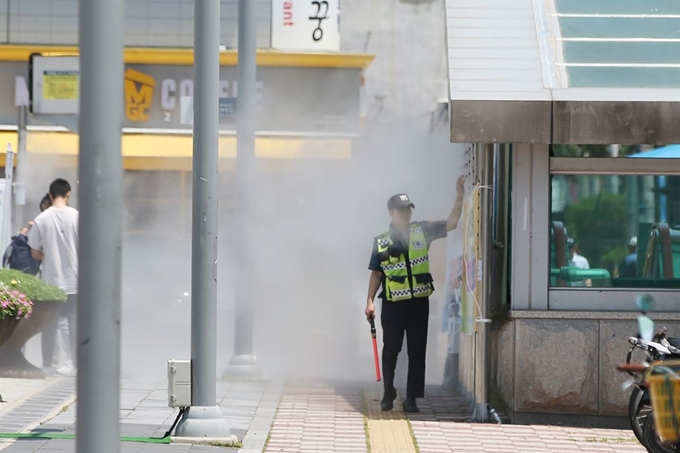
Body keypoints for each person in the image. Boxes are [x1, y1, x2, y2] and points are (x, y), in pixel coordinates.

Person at [365, 175, 465, 413]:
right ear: (391, 213)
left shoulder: (423, 230)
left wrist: (459, 196)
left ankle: (411, 398)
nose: (405, 214)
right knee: (391, 350)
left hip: (419, 303)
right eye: (400, 211)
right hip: (393, 304)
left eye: (407, 210)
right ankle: (388, 393)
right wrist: (369, 301)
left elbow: (451, 223)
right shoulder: (381, 241)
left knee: (417, 351)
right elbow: (376, 274)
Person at [28, 179, 79, 376]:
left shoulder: (42, 219)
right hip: (73, 278)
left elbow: (34, 253)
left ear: (50, 195)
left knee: (49, 322)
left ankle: (47, 364)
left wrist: (48, 255)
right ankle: (74, 364)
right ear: (68, 193)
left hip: (51, 280)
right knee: (73, 320)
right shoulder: (77, 217)